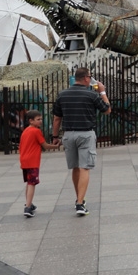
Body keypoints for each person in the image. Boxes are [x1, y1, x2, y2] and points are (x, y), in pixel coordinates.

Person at [52, 67, 110, 216]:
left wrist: (54, 137)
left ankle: (79, 199)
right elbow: (107, 110)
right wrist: (102, 91)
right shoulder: (91, 94)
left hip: (68, 135)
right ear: (85, 78)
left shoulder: (62, 95)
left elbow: (57, 118)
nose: (91, 79)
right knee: (85, 167)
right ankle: (79, 202)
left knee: (75, 168)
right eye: (90, 77)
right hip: (85, 133)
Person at [18, 109, 59, 218]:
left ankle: (29, 203)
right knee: (32, 183)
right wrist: (56, 146)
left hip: (24, 160)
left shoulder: (25, 131)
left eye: (41, 119)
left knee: (29, 182)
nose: (40, 121)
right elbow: (45, 145)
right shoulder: (36, 131)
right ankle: (27, 207)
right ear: (31, 121)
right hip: (33, 161)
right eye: (38, 119)